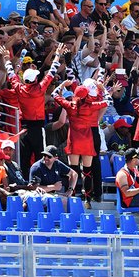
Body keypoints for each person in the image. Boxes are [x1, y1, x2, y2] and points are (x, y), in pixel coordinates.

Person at [2, 44, 63, 175]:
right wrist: (57, 54)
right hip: (37, 128)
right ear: (35, 79)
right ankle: (41, 180)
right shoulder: (40, 88)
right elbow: (52, 70)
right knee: (41, 156)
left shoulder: (19, 87)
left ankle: (26, 181)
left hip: (24, 129)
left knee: (24, 158)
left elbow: (11, 73)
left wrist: (6, 58)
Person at [53, 79, 110, 208]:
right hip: (87, 141)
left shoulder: (69, 105)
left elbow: (54, 95)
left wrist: (62, 85)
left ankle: (72, 196)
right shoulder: (91, 106)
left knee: (73, 170)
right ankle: (87, 200)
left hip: (74, 140)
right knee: (87, 171)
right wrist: (103, 89)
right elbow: (109, 101)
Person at [28, 145, 79, 209]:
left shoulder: (57, 164)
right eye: (44, 155)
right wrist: (53, 187)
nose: (46, 158)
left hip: (53, 194)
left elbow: (74, 174)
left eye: (49, 156)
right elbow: (33, 187)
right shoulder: (36, 167)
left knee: (74, 202)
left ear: (55, 158)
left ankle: (67, 218)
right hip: (38, 196)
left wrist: (70, 190)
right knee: (60, 201)